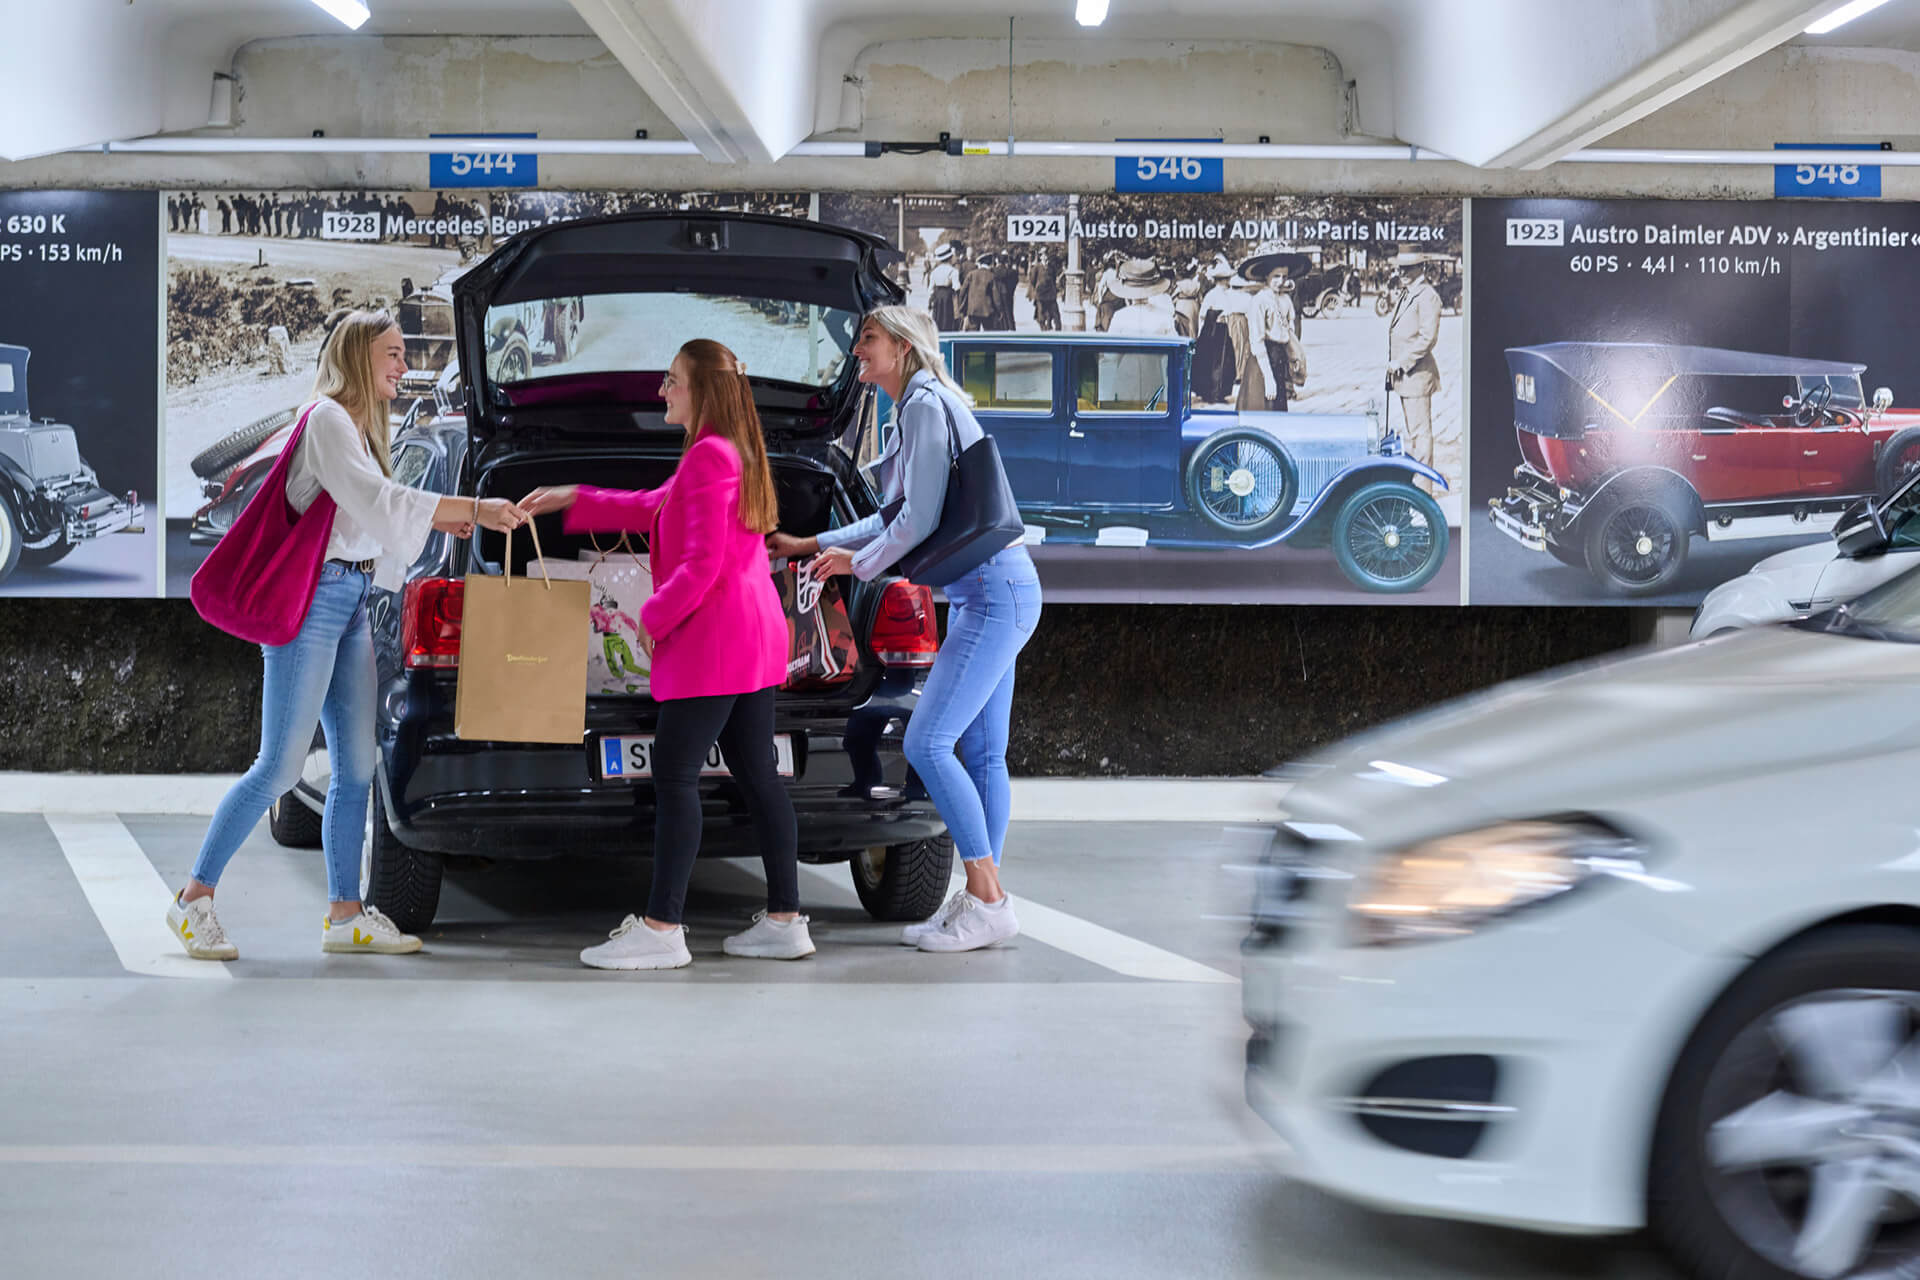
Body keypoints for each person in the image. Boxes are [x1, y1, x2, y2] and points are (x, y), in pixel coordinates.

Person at [167, 310, 529, 962]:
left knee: (357, 766)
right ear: (359, 354)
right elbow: (378, 501)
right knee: (280, 766)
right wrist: (472, 510)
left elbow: (372, 522)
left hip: (353, 602)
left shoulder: (361, 428)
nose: (405, 365)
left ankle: (345, 915)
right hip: (312, 606)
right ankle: (193, 898)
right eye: (393, 353)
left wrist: (446, 521)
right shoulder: (328, 419)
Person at [519, 339, 808, 971]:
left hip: (717, 640)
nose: (661, 390)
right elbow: (656, 504)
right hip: (753, 636)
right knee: (758, 776)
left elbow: (701, 564)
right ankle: (785, 921)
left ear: (701, 389)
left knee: (675, 776)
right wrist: (575, 496)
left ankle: (662, 928)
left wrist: (651, 618)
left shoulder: (708, 454)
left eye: (672, 380)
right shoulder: (729, 450)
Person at [767, 306, 1042, 954]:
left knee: (928, 742)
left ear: (902, 344)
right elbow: (892, 515)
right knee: (982, 754)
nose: (857, 349)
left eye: (868, 338)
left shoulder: (921, 404)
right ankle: (984, 898)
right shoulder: (919, 405)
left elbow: (914, 521)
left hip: (992, 595)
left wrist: (854, 565)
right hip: (994, 591)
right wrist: (812, 542)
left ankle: (989, 899)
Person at [1387, 253, 1448, 496]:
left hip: (1416, 374)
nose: (1401, 272)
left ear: (1421, 267)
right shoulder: (1408, 292)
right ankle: (1418, 484)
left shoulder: (1427, 296)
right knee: (1414, 433)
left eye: (1408, 268)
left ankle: (1424, 491)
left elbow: (1427, 338)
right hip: (1405, 376)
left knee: (1421, 436)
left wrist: (1402, 362)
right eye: (1400, 267)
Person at [1248, 269, 1300, 410]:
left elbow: (1289, 329)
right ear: (1266, 276)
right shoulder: (1259, 300)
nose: (1281, 281)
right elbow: (1257, 339)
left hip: (1280, 356)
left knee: (1279, 406)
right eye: (1276, 276)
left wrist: (1293, 354)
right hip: (1263, 359)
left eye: (1284, 277)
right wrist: (1268, 378)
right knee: (1264, 406)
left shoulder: (1285, 299)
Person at [1105, 258, 1181, 337]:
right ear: (1152, 288)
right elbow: (1174, 342)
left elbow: (1111, 342)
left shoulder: (1120, 316)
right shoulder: (1165, 316)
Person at [928, 242, 964, 332]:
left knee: (938, 320)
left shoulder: (934, 272)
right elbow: (957, 287)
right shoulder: (953, 271)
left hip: (938, 298)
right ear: (950, 258)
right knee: (949, 321)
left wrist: (930, 302)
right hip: (948, 298)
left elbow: (930, 290)